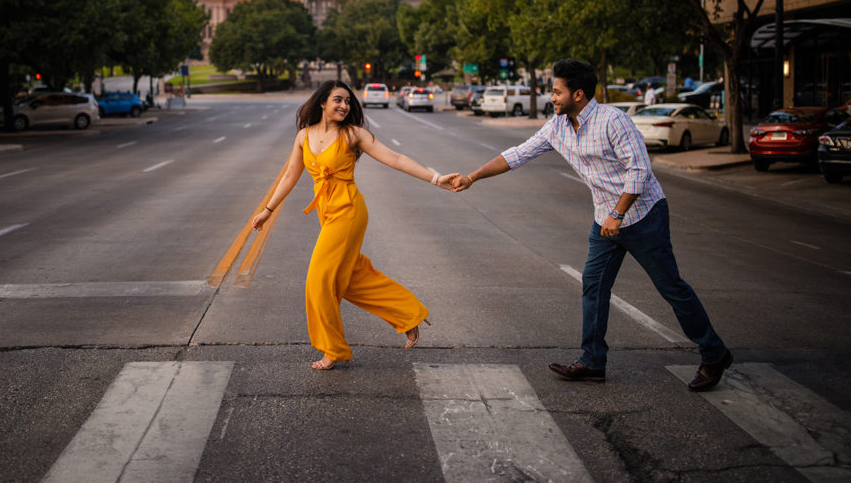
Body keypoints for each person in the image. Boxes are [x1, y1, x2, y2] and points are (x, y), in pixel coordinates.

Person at [452, 59, 733, 391]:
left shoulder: (614, 121)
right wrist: (472, 177)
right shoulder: (557, 126)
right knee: (594, 287)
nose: (551, 97)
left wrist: (618, 214)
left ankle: (714, 353)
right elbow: (517, 154)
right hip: (605, 220)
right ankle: (592, 361)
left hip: (643, 216)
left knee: (671, 287)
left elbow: (640, 172)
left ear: (579, 94)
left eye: (556, 92)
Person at [252, 80, 458, 370]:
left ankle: (331, 349)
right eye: (338, 100)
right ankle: (408, 315)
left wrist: (436, 179)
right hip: (326, 213)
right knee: (350, 276)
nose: (344, 106)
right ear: (322, 102)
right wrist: (268, 210)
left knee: (319, 280)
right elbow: (289, 176)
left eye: (348, 102)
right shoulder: (303, 136)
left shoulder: (352, 134)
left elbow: (395, 158)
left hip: (348, 211)